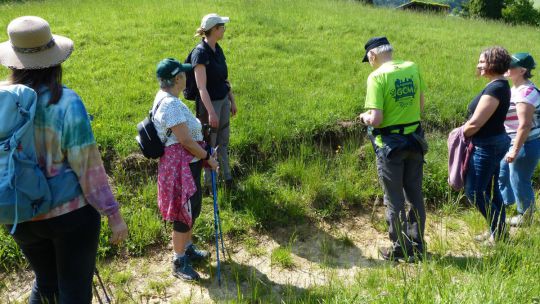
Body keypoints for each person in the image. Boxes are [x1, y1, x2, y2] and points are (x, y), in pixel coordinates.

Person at [0, 16, 128, 303]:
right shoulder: (66, 102)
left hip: (19, 213)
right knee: (74, 293)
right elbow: (88, 166)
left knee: (45, 283)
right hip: (69, 215)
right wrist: (113, 214)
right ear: (54, 60)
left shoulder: (2, 101)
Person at [358, 37, 427, 262]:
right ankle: (418, 245)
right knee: (415, 193)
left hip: (390, 146)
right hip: (415, 140)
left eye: (368, 59)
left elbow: (376, 119)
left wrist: (364, 117)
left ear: (372, 55)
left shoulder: (377, 76)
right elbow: (420, 105)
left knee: (394, 198)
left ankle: (400, 249)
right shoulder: (412, 67)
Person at [153, 58, 219, 281]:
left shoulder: (168, 99)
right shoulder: (170, 105)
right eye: (184, 75)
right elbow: (186, 141)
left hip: (185, 165)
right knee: (184, 212)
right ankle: (179, 261)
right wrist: (207, 156)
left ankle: (187, 247)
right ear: (177, 79)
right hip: (180, 167)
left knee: (192, 207)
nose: (187, 77)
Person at [463, 46, 512, 244]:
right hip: (494, 142)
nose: (479, 65)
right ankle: (497, 232)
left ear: (494, 63)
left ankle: (498, 232)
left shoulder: (496, 88)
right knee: (492, 191)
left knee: (474, 191)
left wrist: (459, 134)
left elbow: (476, 123)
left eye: (483, 62)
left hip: (487, 145)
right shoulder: (499, 85)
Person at [191, 13, 237, 190]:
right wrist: (210, 112)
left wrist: (231, 100)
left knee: (223, 142)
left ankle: (227, 178)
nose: (224, 29)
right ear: (215, 30)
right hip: (210, 105)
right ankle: (210, 185)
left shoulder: (218, 49)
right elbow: (201, 87)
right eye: (222, 27)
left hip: (223, 101)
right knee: (210, 145)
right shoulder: (200, 54)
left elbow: (225, 79)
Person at [498, 53, 540, 227]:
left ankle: (526, 217)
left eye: (511, 65)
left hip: (525, 143)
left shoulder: (526, 92)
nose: (506, 68)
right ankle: (507, 206)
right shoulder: (514, 89)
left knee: (519, 179)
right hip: (513, 141)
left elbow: (525, 125)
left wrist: (515, 150)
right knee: (503, 174)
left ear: (522, 70)